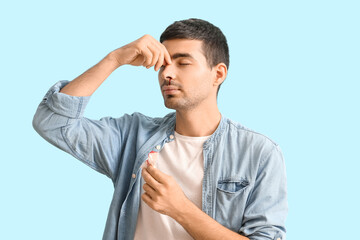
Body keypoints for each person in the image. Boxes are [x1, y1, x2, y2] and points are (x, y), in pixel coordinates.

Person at [33, 18, 288, 240]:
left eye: (183, 63)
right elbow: (52, 122)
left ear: (218, 74)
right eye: (164, 64)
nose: (167, 73)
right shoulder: (132, 136)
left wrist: (180, 209)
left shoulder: (259, 153)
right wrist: (115, 59)